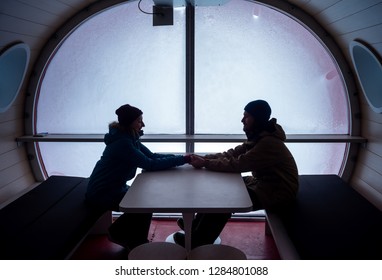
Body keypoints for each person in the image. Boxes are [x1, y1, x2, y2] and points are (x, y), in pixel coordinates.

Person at [174, 100, 299, 248]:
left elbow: (238, 164)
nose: (242, 120)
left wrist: (205, 163)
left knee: (227, 199)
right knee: (223, 188)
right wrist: (205, 158)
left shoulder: (268, 143)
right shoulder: (260, 136)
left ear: (257, 119)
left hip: (279, 190)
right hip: (266, 182)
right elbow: (232, 153)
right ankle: (196, 226)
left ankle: (200, 241)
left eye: (246, 116)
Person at [85, 104, 191, 251]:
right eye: (139, 121)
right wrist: (183, 160)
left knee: (145, 201)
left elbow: (152, 156)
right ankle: (123, 235)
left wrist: (182, 159)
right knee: (143, 203)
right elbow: (150, 164)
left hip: (113, 187)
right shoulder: (124, 144)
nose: (143, 124)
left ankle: (134, 239)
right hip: (101, 192)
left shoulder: (130, 139)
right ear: (130, 122)